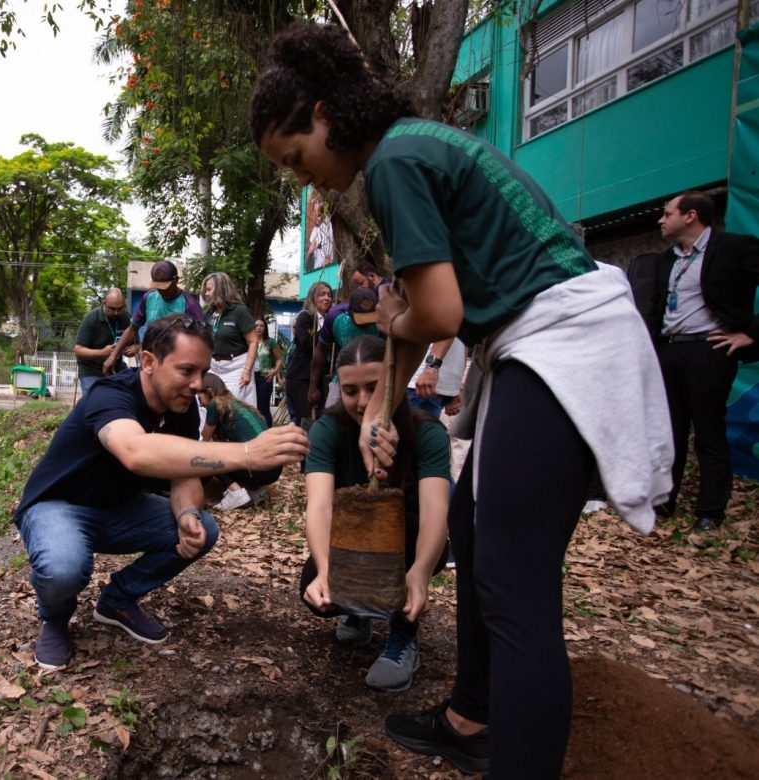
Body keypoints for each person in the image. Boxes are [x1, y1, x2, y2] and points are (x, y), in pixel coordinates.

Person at [251, 23, 672, 778]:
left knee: (514, 590)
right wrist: (379, 410)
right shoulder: (414, 145)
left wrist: (393, 322)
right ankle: (471, 716)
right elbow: (413, 322)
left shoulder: (394, 164)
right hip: (535, 346)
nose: (309, 180)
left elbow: (436, 313)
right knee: (475, 531)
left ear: (323, 114)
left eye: (298, 158)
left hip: (562, 346)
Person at [15, 314, 310, 670]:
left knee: (205, 527)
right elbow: (136, 452)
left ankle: (118, 599)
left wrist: (186, 514)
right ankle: (55, 618)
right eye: (187, 371)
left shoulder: (179, 409)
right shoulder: (110, 395)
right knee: (64, 567)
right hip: (59, 505)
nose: (197, 384)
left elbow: (184, 473)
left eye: (203, 372)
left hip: (120, 508)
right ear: (149, 362)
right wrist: (247, 453)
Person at [300, 336, 448, 692]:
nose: (363, 402)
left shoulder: (426, 432)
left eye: (373, 388)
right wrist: (325, 570)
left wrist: (421, 572)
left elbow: (436, 509)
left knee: (408, 532)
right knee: (313, 589)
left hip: (409, 540)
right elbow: (319, 506)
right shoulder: (328, 430)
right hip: (352, 540)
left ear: (393, 384)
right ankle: (359, 609)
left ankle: (403, 635)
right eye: (351, 391)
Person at [627, 191, 759, 532]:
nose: (660, 219)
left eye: (667, 213)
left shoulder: (733, 248)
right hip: (670, 350)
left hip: (709, 351)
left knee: (708, 432)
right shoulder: (665, 261)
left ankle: (710, 512)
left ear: (691, 216)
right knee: (668, 430)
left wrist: (750, 335)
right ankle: (664, 501)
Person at [103, 261, 204, 374]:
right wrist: (113, 355)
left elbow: (201, 341)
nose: (161, 290)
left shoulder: (190, 305)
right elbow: (132, 329)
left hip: (176, 367)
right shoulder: (149, 297)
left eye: (165, 287)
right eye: (158, 286)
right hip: (150, 363)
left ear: (176, 280)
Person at [198, 372, 281, 510]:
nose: (200, 402)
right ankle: (254, 491)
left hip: (258, 469)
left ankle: (235, 492)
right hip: (275, 469)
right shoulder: (238, 405)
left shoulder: (215, 404)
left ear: (209, 392)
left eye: (199, 396)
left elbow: (204, 441)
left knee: (207, 454)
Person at [309, 262, 381, 411]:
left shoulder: (383, 320)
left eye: (369, 319)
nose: (365, 325)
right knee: (330, 416)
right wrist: (313, 386)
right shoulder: (336, 317)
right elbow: (321, 351)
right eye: (361, 320)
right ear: (350, 312)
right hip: (342, 376)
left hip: (376, 378)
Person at [201, 271, 259, 407]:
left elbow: (253, 341)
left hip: (236, 368)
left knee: (236, 409)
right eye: (205, 291)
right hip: (214, 367)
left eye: (209, 290)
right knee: (210, 407)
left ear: (221, 289)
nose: (206, 294)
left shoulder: (240, 311)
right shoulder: (209, 313)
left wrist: (247, 371)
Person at [285, 281, 333, 425]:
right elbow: (307, 343)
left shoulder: (329, 319)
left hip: (320, 377)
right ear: (313, 297)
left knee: (320, 418)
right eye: (322, 294)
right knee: (304, 420)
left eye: (329, 295)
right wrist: (327, 327)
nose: (327, 298)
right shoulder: (305, 317)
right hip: (301, 376)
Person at [74, 287, 133, 396]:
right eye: (112, 308)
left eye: (120, 308)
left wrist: (133, 349)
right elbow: (78, 351)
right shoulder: (91, 318)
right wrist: (103, 352)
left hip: (117, 368)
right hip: (91, 369)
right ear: (103, 303)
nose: (116, 312)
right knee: (96, 401)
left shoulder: (126, 317)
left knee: (130, 394)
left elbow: (137, 343)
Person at [406, 339, 467, 418]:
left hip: (421, 381)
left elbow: (446, 328)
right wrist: (456, 386)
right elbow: (466, 337)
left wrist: (431, 367)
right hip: (433, 379)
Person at [252, 317, 283, 426]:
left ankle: (268, 430)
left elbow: (279, 359)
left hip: (265, 378)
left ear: (265, 328)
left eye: (261, 325)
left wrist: (274, 371)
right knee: (252, 406)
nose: (259, 328)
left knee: (263, 408)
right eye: (256, 325)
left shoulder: (271, 342)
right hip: (251, 378)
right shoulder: (249, 342)